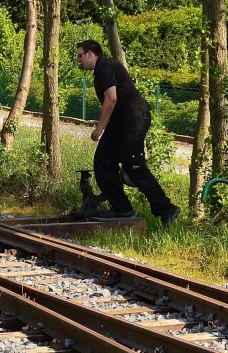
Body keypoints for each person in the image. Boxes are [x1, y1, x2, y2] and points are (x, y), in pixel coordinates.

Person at [76, 39, 180, 227]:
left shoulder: (105, 65)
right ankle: (121, 208)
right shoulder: (101, 70)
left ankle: (166, 208)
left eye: (80, 55)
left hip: (132, 121)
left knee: (134, 166)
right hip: (120, 123)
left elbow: (111, 99)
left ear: (90, 53)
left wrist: (99, 128)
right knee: (103, 161)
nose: (79, 60)